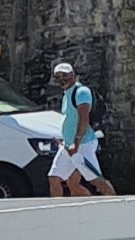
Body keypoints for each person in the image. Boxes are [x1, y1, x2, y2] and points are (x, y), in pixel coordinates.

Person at [45, 59, 111, 196]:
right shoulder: (66, 95)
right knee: (56, 179)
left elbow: (84, 119)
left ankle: (118, 207)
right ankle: (58, 213)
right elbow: (70, 119)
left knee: (96, 180)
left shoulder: (81, 92)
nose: (62, 79)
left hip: (83, 144)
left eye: (65, 75)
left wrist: (76, 143)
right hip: (68, 145)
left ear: (73, 75)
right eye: (58, 77)